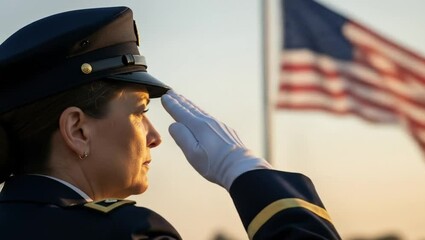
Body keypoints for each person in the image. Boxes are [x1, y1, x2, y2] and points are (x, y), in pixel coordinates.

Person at [0, 6, 341, 240]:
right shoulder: (126, 232)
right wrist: (249, 174)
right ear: (77, 130)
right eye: (140, 112)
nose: (154, 137)